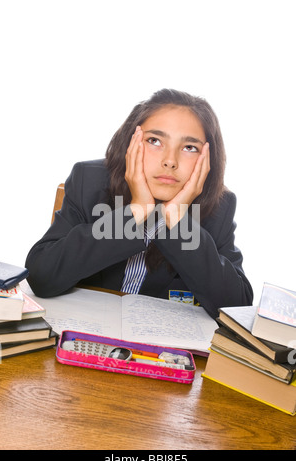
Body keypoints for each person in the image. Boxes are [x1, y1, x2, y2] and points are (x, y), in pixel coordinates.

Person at [25, 89, 253, 319]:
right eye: (154, 141)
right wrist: (135, 211)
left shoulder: (219, 208)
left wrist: (178, 221)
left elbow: (235, 308)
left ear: (207, 159)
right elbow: (41, 277)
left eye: (189, 148)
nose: (170, 161)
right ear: (130, 143)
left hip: (160, 349)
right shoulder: (89, 182)